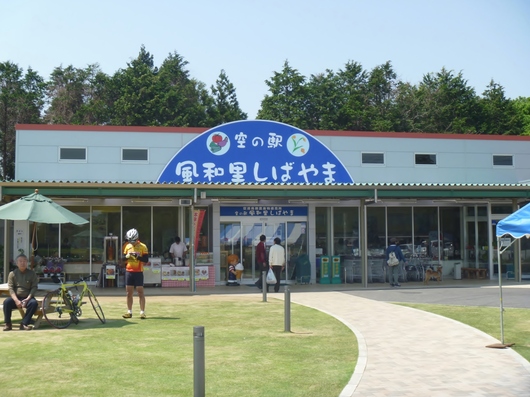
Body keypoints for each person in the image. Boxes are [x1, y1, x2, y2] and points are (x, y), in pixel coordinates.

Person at [3, 254, 39, 331]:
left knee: (34, 303)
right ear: (17, 263)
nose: (22, 263)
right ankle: (8, 324)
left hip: (28, 297)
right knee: (6, 302)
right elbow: (11, 288)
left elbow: (34, 287)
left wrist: (28, 299)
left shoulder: (32, 274)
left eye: (24, 261)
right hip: (16, 297)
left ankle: (24, 323)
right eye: (20, 261)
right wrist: (16, 301)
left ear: (27, 263)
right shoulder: (12, 274)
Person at [122, 228, 149, 319]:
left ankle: (142, 312)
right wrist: (127, 256)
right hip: (129, 272)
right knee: (128, 293)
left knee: (140, 292)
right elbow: (122, 259)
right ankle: (129, 311)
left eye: (132, 240)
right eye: (129, 240)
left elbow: (146, 259)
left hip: (138, 272)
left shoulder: (143, 246)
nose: (131, 242)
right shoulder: (127, 246)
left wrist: (138, 257)